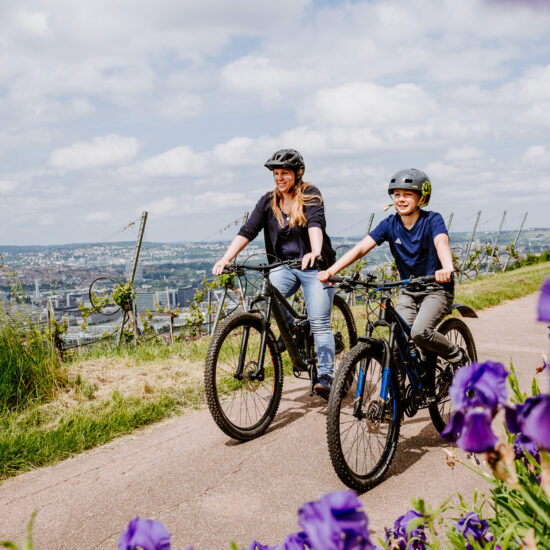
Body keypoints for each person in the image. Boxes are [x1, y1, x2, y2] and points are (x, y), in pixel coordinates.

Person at [318, 168, 468, 397]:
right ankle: (395, 399)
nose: (401, 199)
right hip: (408, 290)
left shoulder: (432, 220)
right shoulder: (390, 224)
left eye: (408, 194)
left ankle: (456, 355)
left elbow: (441, 243)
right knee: (395, 344)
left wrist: (447, 267)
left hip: (437, 289)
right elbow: (360, 248)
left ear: (422, 198)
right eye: (397, 195)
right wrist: (332, 270)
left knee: (419, 332)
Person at [213, 149, 337, 398]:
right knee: (268, 295)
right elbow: (248, 230)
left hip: (316, 267)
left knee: (319, 321)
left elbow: (315, 224)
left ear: (297, 173)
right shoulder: (268, 201)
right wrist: (227, 258)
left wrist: (314, 251)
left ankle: (326, 375)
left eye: (285, 173)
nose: (280, 178)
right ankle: (291, 330)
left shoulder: (310, 194)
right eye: (276, 174)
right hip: (285, 266)